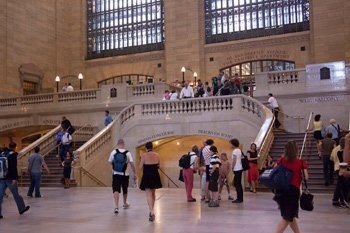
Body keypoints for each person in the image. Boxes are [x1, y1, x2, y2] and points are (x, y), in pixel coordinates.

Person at [274, 140, 308, 233]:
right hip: (293, 191)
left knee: (289, 215)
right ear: (296, 150)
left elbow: (274, 172)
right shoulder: (301, 162)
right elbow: (306, 177)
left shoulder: (281, 160)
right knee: (287, 216)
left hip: (280, 191)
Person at [0, 142, 30, 219]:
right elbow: (13, 167)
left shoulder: (2, 153)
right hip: (10, 178)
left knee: (0, 196)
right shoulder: (13, 155)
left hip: (2, 178)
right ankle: (22, 209)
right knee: (16, 194)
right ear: (15, 147)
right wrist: (15, 178)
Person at [108, 139, 136, 214]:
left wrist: (112, 170)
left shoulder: (114, 152)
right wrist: (134, 172)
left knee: (116, 189)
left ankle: (116, 207)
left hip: (116, 174)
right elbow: (132, 164)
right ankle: (124, 203)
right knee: (125, 189)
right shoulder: (128, 153)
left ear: (118, 144)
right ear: (123, 144)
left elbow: (110, 162)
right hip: (125, 174)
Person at [139, 141, 162, 222]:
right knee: (153, 193)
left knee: (148, 194)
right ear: (152, 147)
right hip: (155, 175)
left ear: (146, 147)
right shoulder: (157, 155)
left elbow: (140, 166)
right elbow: (160, 166)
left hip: (147, 176)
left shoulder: (144, 155)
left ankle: (152, 211)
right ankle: (151, 210)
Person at [330, 138, 348, 208]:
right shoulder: (345, 149)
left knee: (339, 185)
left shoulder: (335, 149)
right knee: (342, 185)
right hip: (344, 168)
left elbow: (331, 158)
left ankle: (335, 200)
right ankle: (342, 201)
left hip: (337, 168)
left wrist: (336, 161)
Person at [230, 138, 244, 203]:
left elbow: (234, 160)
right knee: (238, 184)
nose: (230, 145)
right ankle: (240, 198)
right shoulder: (239, 150)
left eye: (231, 144)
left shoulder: (235, 151)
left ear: (233, 144)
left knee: (237, 184)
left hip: (236, 168)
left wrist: (232, 167)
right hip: (240, 168)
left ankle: (239, 198)